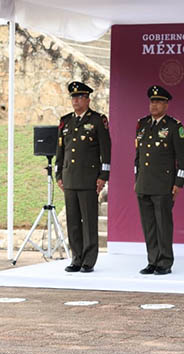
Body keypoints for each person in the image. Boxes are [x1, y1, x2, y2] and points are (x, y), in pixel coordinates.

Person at [55, 81, 111, 273]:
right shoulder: (66, 121)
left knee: (88, 221)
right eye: (73, 97)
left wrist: (104, 175)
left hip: (89, 178)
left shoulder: (97, 120)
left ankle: (89, 260)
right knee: (73, 221)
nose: (75, 100)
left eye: (79, 97)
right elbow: (60, 150)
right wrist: (58, 173)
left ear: (88, 99)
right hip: (69, 177)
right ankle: (76, 258)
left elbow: (106, 150)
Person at [134, 85, 184, 275]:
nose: (154, 105)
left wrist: (178, 183)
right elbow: (138, 156)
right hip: (144, 183)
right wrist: (136, 179)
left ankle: (165, 261)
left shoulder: (174, 126)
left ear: (166, 104)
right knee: (148, 225)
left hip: (164, 184)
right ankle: (152, 260)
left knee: (163, 225)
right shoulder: (142, 124)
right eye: (152, 101)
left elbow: (182, 158)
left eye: (158, 102)